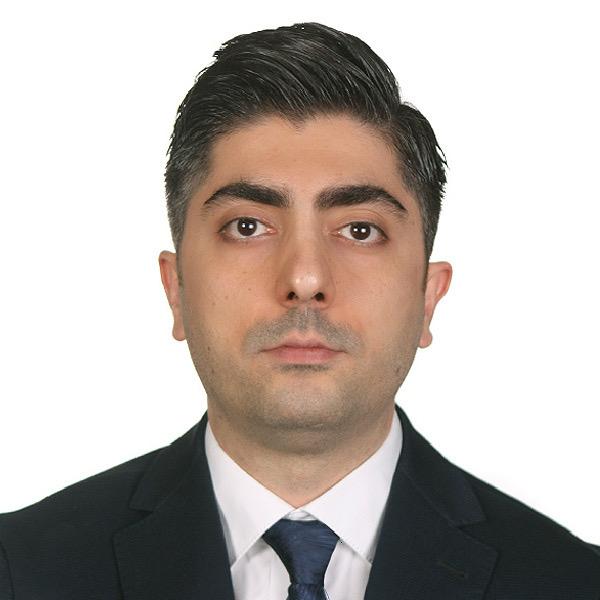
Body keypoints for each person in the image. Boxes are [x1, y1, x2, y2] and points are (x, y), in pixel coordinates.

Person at [0, 21, 598, 600]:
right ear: (176, 287)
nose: (305, 279)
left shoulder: (572, 582)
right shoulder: (20, 571)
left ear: (427, 297)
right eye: (247, 226)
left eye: (360, 230)